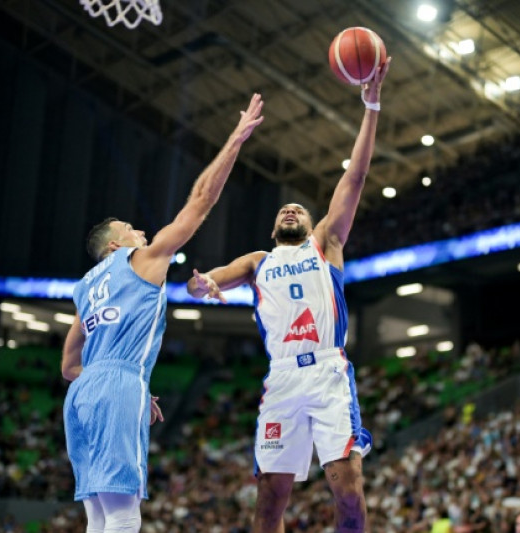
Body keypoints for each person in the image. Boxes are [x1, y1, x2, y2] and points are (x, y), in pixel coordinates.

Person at [187, 58, 391, 533]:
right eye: (285, 208)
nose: (292, 209)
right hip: (281, 381)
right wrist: (201, 283)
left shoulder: (326, 242)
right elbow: (205, 280)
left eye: (298, 207)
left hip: (326, 372)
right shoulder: (258, 262)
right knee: (268, 503)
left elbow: (355, 178)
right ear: (275, 226)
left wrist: (371, 105)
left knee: (349, 494)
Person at [60, 93, 264, 532]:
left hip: (82, 394)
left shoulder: (85, 288)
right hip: (116, 383)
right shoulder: (142, 259)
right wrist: (235, 139)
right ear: (116, 246)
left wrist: (107, 378)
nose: (141, 230)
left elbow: (67, 365)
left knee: (98, 513)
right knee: (123, 512)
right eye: (131, 229)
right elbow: (201, 200)